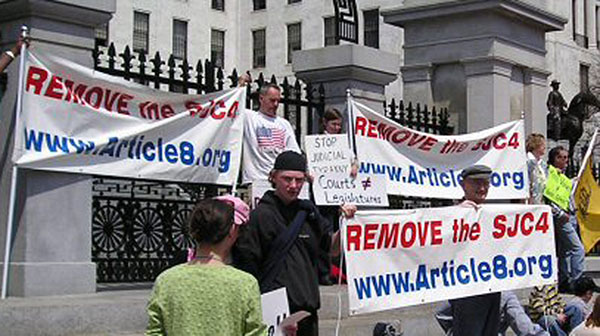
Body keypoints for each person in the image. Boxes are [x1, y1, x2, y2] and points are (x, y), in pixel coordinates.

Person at [233, 151, 356, 336]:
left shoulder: (309, 213)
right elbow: (247, 267)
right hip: (275, 314)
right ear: (273, 177)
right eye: (287, 179)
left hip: (307, 312)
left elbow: (332, 249)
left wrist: (345, 224)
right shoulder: (260, 216)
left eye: (299, 180)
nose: (293, 186)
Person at [146, 195, 267, 336]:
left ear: (193, 230)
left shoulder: (166, 281)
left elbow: (154, 332)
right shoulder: (244, 283)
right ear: (232, 231)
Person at [450, 164, 502, 336]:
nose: (482, 188)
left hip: (491, 286)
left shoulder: (490, 213)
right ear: (463, 185)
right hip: (468, 290)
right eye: (476, 183)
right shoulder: (457, 214)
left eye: (485, 183)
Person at [242, 83, 301, 184]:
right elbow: (232, 104)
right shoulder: (250, 117)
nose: (276, 104)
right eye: (272, 100)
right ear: (261, 99)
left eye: (278, 101)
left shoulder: (284, 124)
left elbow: (293, 152)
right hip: (256, 180)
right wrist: (241, 85)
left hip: (280, 182)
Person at [546, 146, 585, 292]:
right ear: (554, 159)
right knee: (578, 248)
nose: (565, 160)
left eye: (566, 157)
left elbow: (565, 192)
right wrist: (560, 214)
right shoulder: (551, 175)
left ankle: (563, 280)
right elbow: (550, 197)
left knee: (565, 251)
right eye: (561, 157)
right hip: (563, 217)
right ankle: (578, 281)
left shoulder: (562, 177)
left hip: (570, 215)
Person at [435, 291, 550, 336]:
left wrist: (454, 330)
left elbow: (441, 313)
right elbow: (526, 329)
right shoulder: (505, 296)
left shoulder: (461, 293)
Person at [526, 133, 548, 205]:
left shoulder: (543, 164)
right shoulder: (528, 162)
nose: (545, 147)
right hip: (530, 202)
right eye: (542, 145)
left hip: (540, 201)